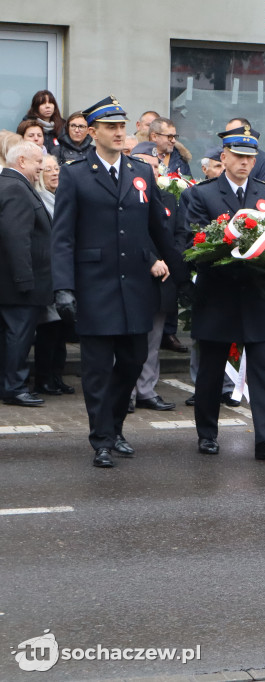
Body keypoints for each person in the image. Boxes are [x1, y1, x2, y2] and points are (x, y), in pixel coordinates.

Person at [50, 96, 184, 468]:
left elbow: (158, 227)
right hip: (95, 286)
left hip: (135, 288)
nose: (118, 132)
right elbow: (63, 237)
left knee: (132, 361)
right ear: (92, 132)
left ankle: (116, 427)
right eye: (110, 127)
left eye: (122, 126)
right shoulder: (76, 174)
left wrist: (185, 277)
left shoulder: (139, 172)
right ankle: (102, 440)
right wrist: (64, 286)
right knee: (95, 369)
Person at [185, 125, 265, 461]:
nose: (244, 163)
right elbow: (193, 243)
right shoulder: (202, 195)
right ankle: (207, 434)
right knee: (212, 371)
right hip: (217, 294)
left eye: (250, 157)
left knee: (262, 370)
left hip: (255, 294)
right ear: (224, 157)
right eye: (238, 156)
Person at [127, 142, 188, 412]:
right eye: (145, 165)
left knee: (153, 341)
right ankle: (124, 392)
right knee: (129, 342)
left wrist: (169, 262)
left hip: (163, 281)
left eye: (155, 166)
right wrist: (150, 260)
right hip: (132, 279)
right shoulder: (124, 197)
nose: (150, 171)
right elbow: (127, 237)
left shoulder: (169, 198)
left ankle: (146, 390)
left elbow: (178, 236)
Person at [0, 141, 50, 407]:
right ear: (21, 162)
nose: (41, 167)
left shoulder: (9, 185)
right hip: (19, 284)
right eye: (37, 162)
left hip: (11, 282)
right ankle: (15, 387)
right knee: (18, 336)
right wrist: (24, 279)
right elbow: (17, 238)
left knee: (10, 336)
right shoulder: (17, 188)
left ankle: (9, 384)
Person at [31, 153, 74, 397]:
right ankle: (44, 379)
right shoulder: (40, 199)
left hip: (62, 274)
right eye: (48, 170)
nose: (55, 173)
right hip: (47, 273)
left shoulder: (61, 198)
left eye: (56, 168)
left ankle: (56, 376)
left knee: (60, 330)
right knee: (49, 330)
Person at [226, 117, 265, 188]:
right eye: (227, 135)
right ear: (223, 158)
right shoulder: (221, 156)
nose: (244, 162)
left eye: (234, 134)